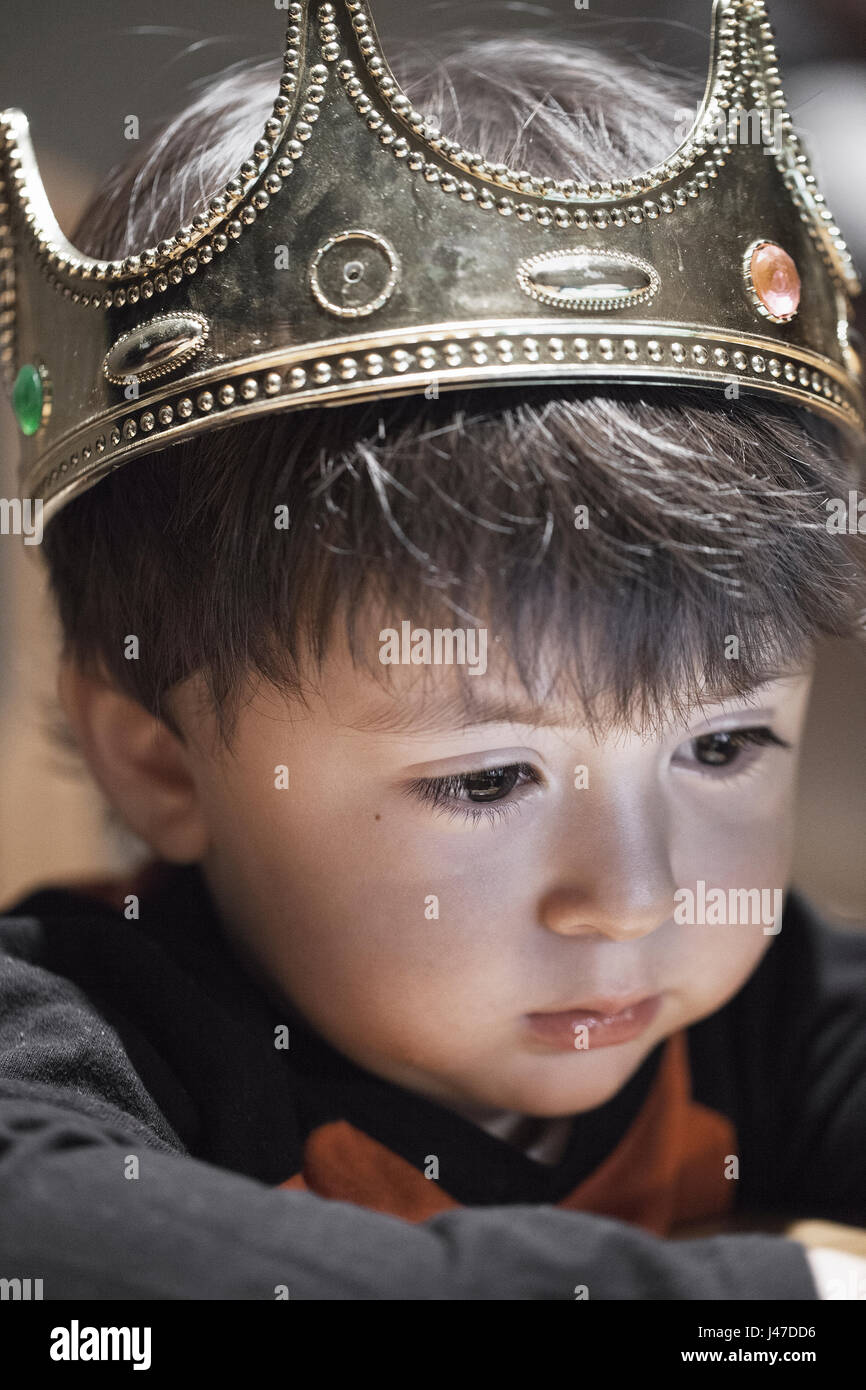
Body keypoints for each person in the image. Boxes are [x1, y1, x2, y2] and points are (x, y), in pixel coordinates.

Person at [2, 13, 865, 1299]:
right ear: (161, 764)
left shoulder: (773, 1007)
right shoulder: (82, 1032)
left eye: (722, 744)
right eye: (484, 779)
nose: (631, 900)